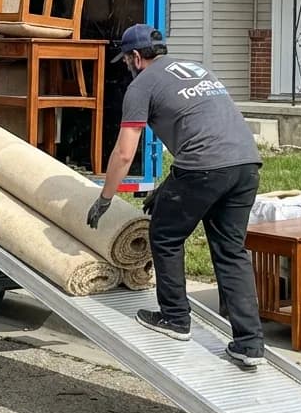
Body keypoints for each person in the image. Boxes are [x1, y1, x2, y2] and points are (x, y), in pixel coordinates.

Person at [86, 24, 266, 369]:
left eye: (126, 60)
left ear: (135, 57)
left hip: (204, 168)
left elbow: (124, 153)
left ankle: (174, 318)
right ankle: (250, 344)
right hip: (246, 165)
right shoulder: (196, 69)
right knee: (231, 252)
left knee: (166, 236)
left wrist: (105, 198)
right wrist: (167, 189)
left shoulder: (142, 85)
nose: (127, 67)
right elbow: (207, 130)